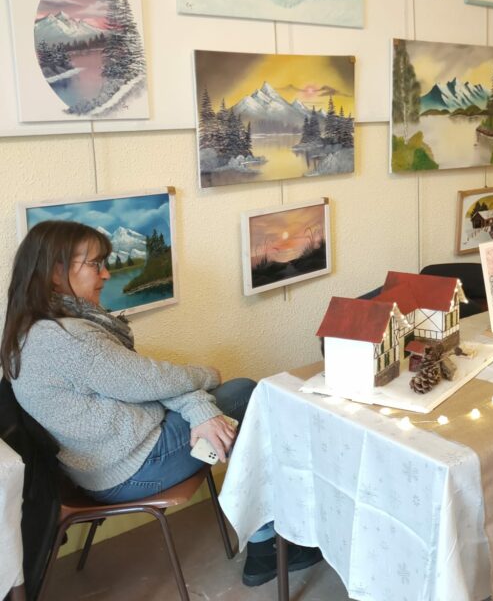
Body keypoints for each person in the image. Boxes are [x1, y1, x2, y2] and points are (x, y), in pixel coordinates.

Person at [1, 220, 320, 587]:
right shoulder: (65, 338)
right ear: (56, 273)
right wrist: (207, 376)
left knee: (219, 412)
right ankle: (268, 546)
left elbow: (145, 382)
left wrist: (200, 408)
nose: (106, 274)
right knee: (245, 393)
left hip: (105, 462)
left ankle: (266, 541)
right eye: (94, 264)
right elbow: (149, 382)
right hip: (132, 468)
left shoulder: (35, 328)